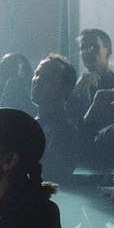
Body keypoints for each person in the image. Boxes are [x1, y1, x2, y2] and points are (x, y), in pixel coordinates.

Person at [31, 54, 82, 184]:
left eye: (46, 77)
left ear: (66, 87)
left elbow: (55, 175)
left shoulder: (67, 131)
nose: (38, 79)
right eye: (37, 74)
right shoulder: (29, 124)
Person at [67, 28, 114, 129]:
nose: (87, 51)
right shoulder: (78, 88)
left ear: (108, 51)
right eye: (83, 47)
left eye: (94, 46)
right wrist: (74, 93)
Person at [0, 52, 37, 116]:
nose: (5, 70)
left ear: (25, 72)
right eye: (3, 65)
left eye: (12, 67)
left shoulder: (33, 98)